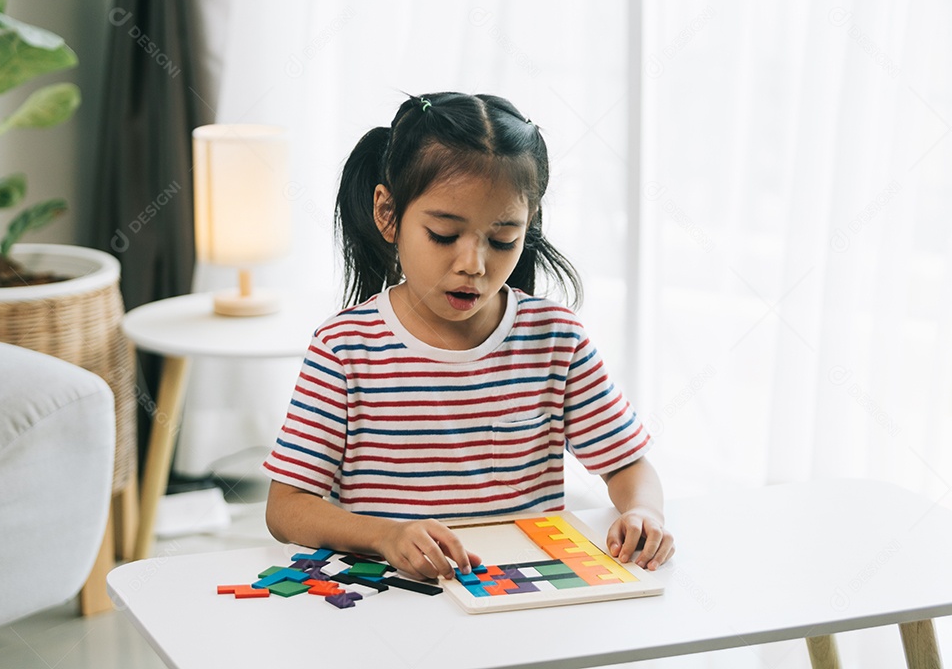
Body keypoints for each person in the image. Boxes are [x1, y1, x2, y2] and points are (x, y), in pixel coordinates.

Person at [262, 91, 674, 580]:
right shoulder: (345, 349)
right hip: (396, 597)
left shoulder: (556, 341)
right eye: (443, 234)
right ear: (387, 214)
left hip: (522, 593)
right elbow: (286, 508)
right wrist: (385, 535)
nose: (473, 265)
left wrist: (644, 512)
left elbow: (627, 464)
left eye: (503, 240)